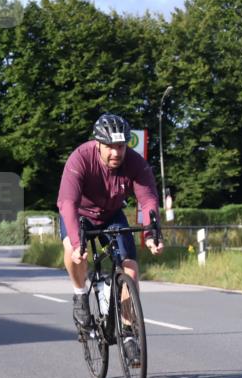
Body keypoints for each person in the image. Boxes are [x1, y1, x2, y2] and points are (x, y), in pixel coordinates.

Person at [57, 113, 163, 360]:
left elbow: (147, 199)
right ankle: (80, 295)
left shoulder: (135, 163)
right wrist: (76, 243)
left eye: (121, 146)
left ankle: (127, 333)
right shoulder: (80, 158)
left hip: (112, 214)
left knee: (130, 269)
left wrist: (150, 234)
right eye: (111, 147)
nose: (116, 153)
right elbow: (68, 203)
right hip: (80, 214)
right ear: (98, 144)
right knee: (75, 254)